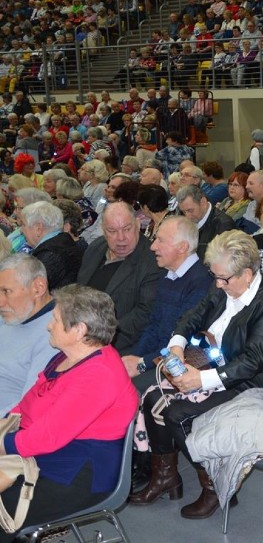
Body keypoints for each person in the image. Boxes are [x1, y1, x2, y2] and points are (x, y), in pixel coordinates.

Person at [129, 230, 263, 519]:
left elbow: (251, 362)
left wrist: (199, 380)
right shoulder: (224, 287)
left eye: (224, 279)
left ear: (248, 274)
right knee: (153, 396)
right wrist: (177, 346)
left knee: (178, 412)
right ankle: (166, 477)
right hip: (217, 369)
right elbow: (192, 317)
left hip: (252, 385)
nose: (217, 284)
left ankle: (217, 485)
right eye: (215, 276)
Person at [0, 284, 137, 540]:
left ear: (79, 330)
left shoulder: (99, 374)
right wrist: (6, 426)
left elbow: (46, 437)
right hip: (50, 454)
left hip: (77, 474)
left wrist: (3, 443)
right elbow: (28, 404)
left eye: (55, 319)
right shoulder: (67, 357)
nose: (48, 325)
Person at [122, 215, 213, 393]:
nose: (152, 246)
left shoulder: (202, 283)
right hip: (157, 357)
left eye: (160, 240)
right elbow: (153, 327)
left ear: (182, 247)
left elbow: (184, 343)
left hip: (182, 364)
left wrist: (141, 364)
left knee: (126, 390)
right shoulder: (168, 276)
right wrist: (134, 358)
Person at [76, 202, 164, 351]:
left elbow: (144, 315)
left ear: (137, 224)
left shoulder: (152, 262)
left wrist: (98, 343)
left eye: (127, 229)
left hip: (113, 344)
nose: (121, 238)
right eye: (112, 231)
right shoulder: (95, 248)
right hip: (79, 332)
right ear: (103, 231)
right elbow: (79, 290)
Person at [0, 255, 56, 415]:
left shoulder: (55, 334)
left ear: (38, 287)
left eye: (6, 291)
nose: (0, 301)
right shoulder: (13, 314)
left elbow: (30, 406)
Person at [20, 201, 83, 290]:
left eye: (23, 225)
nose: (21, 230)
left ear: (38, 228)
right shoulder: (62, 242)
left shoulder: (51, 254)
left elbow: (29, 291)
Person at [176, 184, 237, 258]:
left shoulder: (223, 225)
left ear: (203, 202)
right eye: (184, 212)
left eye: (190, 210)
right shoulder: (187, 220)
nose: (187, 216)